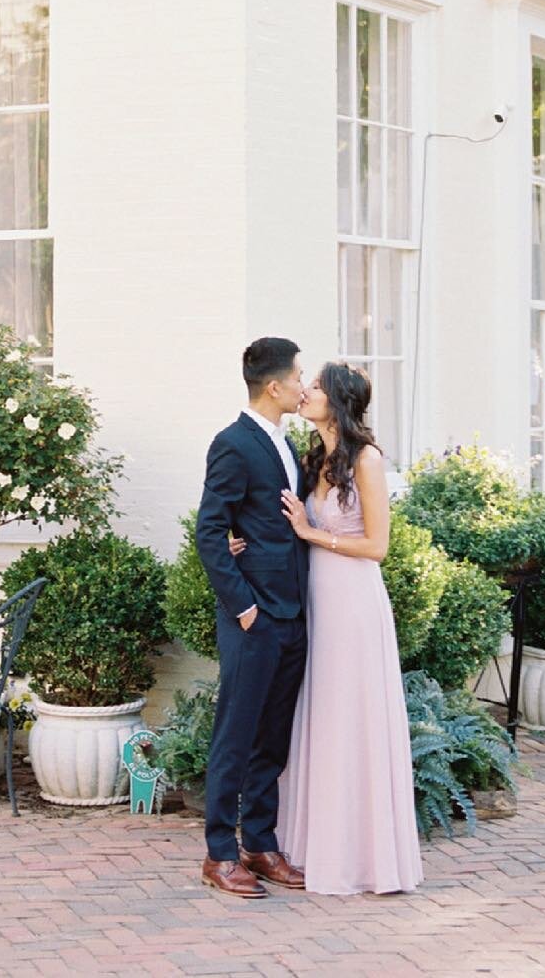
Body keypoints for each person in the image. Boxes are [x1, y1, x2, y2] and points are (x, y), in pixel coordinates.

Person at [277, 362, 423, 896]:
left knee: (351, 715)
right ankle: (317, 848)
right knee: (320, 712)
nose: (305, 392)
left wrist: (310, 533)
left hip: (354, 603)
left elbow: (377, 547)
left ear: (336, 400)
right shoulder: (313, 457)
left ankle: (363, 858)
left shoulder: (367, 459)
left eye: (314, 386)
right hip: (318, 598)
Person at [194, 337, 310, 899]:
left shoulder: (288, 445)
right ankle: (219, 854)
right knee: (235, 737)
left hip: (293, 616)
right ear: (274, 385)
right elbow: (210, 532)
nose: (302, 385)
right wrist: (243, 608)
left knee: (272, 738)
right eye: (297, 377)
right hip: (255, 619)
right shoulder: (234, 444)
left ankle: (259, 844)